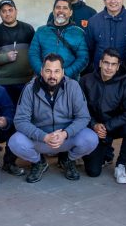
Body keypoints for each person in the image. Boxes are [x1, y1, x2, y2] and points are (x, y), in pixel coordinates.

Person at [9, 53, 98, 183]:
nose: (52, 76)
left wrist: (65, 134)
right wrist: (43, 136)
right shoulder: (29, 88)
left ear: (62, 72)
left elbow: (83, 117)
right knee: (15, 142)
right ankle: (39, 162)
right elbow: (20, 121)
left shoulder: (73, 86)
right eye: (48, 71)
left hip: (66, 138)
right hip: (41, 139)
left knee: (91, 139)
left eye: (56, 71)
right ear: (41, 71)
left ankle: (68, 159)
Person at [80, 48, 126, 182]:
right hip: (94, 128)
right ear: (100, 63)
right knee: (93, 172)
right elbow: (79, 109)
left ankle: (121, 165)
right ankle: (103, 152)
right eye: (106, 63)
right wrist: (94, 125)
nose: (109, 67)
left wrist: (107, 126)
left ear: (118, 66)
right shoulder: (85, 81)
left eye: (113, 64)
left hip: (114, 125)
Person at [0, 0, 35, 106]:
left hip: (27, 81)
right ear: (0, 13)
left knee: (25, 114)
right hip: (4, 83)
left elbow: (36, 52)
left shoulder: (28, 29)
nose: (7, 13)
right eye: (4, 11)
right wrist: (6, 57)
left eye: (10, 10)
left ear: (16, 11)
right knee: (7, 115)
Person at [30, 0, 89, 79]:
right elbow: (33, 54)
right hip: (43, 80)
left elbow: (83, 58)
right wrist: (42, 72)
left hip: (69, 80)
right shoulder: (41, 31)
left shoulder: (79, 33)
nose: (61, 10)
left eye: (65, 8)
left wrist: (65, 74)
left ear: (70, 12)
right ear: (53, 11)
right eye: (58, 7)